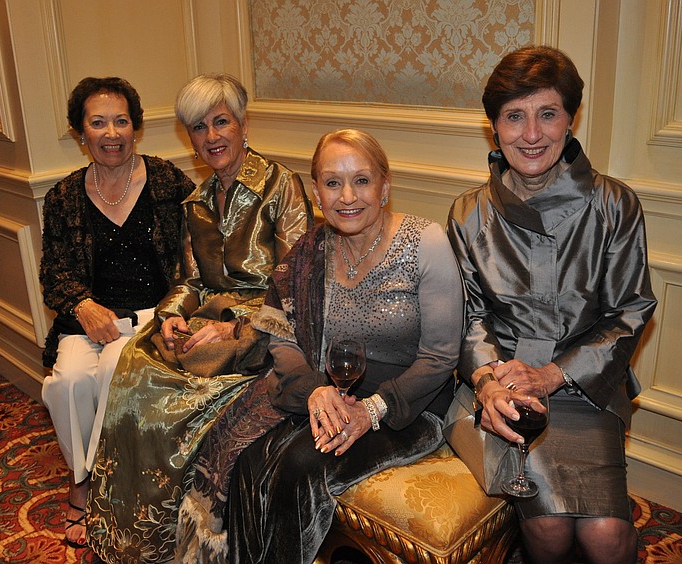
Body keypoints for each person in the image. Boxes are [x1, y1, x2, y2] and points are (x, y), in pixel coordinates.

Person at [86, 73, 312, 563]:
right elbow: (189, 281)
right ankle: (141, 536)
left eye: (221, 122)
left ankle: (182, 540)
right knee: (133, 368)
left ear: (243, 124)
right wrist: (170, 314)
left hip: (266, 326)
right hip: (207, 323)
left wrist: (234, 326)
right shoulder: (196, 202)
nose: (211, 137)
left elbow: (296, 284)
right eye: (198, 127)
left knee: (177, 396)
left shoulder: (281, 186)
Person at [447, 46, 657, 564]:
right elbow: (469, 317)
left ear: (570, 119)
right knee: (549, 533)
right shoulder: (468, 213)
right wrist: (488, 382)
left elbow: (630, 310)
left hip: (586, 386)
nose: (531, 134)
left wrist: (553, 374)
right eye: (514, 116)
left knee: (607, 538)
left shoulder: (615, 204)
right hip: (501, 386)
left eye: (548, 114)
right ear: (494, 126)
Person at [221, 128, 464, 564]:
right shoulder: (311, 249)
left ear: (384, 187)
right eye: (333, 183)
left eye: (362, 180)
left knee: (300, 465)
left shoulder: (425, 242)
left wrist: (372, 409)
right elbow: (282, 333)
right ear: (317, 193)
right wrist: (315, 389)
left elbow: (441, 357)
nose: (347, 196)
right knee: (248, 459)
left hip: (411, 406)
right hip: (333, 392)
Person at [39, 76, 195, 549]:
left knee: (112, 372)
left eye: (121, 121)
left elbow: (196, 254)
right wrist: (83, 305)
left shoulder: (168, 182)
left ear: (136, 128)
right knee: (67, 383)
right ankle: (82, 477)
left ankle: (101, 488)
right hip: (87, 319)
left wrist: (180, 306)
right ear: (80, 132)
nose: (112, 133)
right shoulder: (63, 197)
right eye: (98, 123)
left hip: (151, 316)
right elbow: (53, 273)